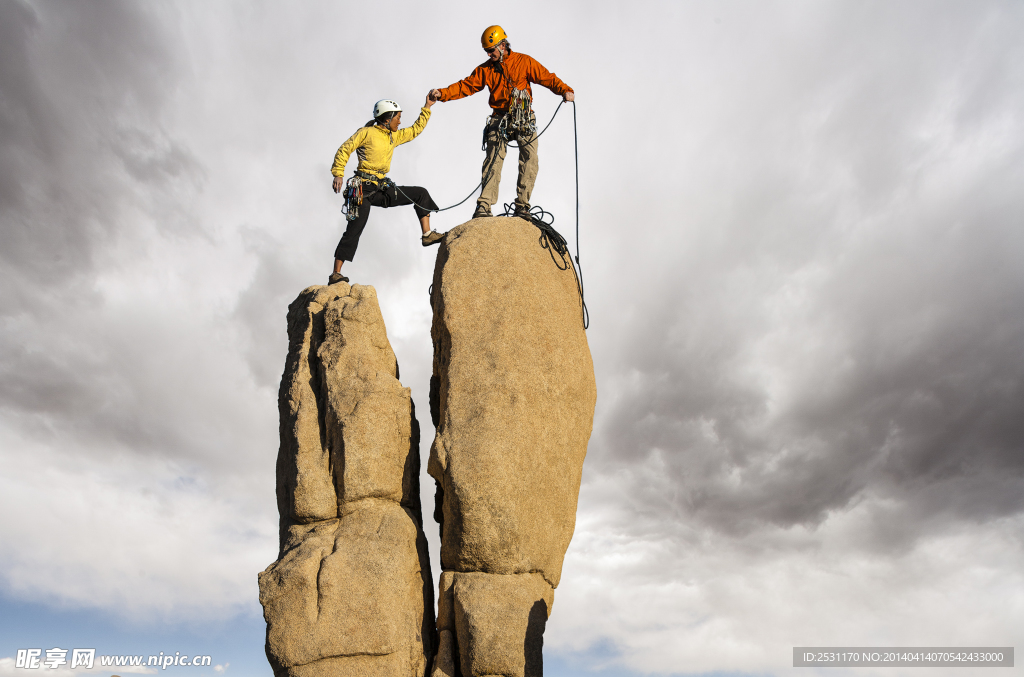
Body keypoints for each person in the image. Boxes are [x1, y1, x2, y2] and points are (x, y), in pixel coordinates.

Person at [429, 25, 574, 220]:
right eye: (486, 51)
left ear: (503, 45)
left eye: (491, 50)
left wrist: (565, 90)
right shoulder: (486, 69)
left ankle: (522, 206)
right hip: (499, 118)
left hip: (523, 117)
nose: (489, 54)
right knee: (493, 160)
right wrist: (442, 93)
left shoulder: (524, 61)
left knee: (530, 159)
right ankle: (484, 206)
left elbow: (546, 77)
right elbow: (467, 85)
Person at [328, 95, 444, 285]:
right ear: (387, 118)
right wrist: (338, 173)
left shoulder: (392, 136)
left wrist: (427, 107)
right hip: (362, 189)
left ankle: (427, 235)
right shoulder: (366, 133)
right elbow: (345, 148)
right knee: (354, 229)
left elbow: (415, 130)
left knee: (420, 193)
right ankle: (336, 273)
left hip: (381, 188)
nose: (400, 121)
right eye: (397, 117)